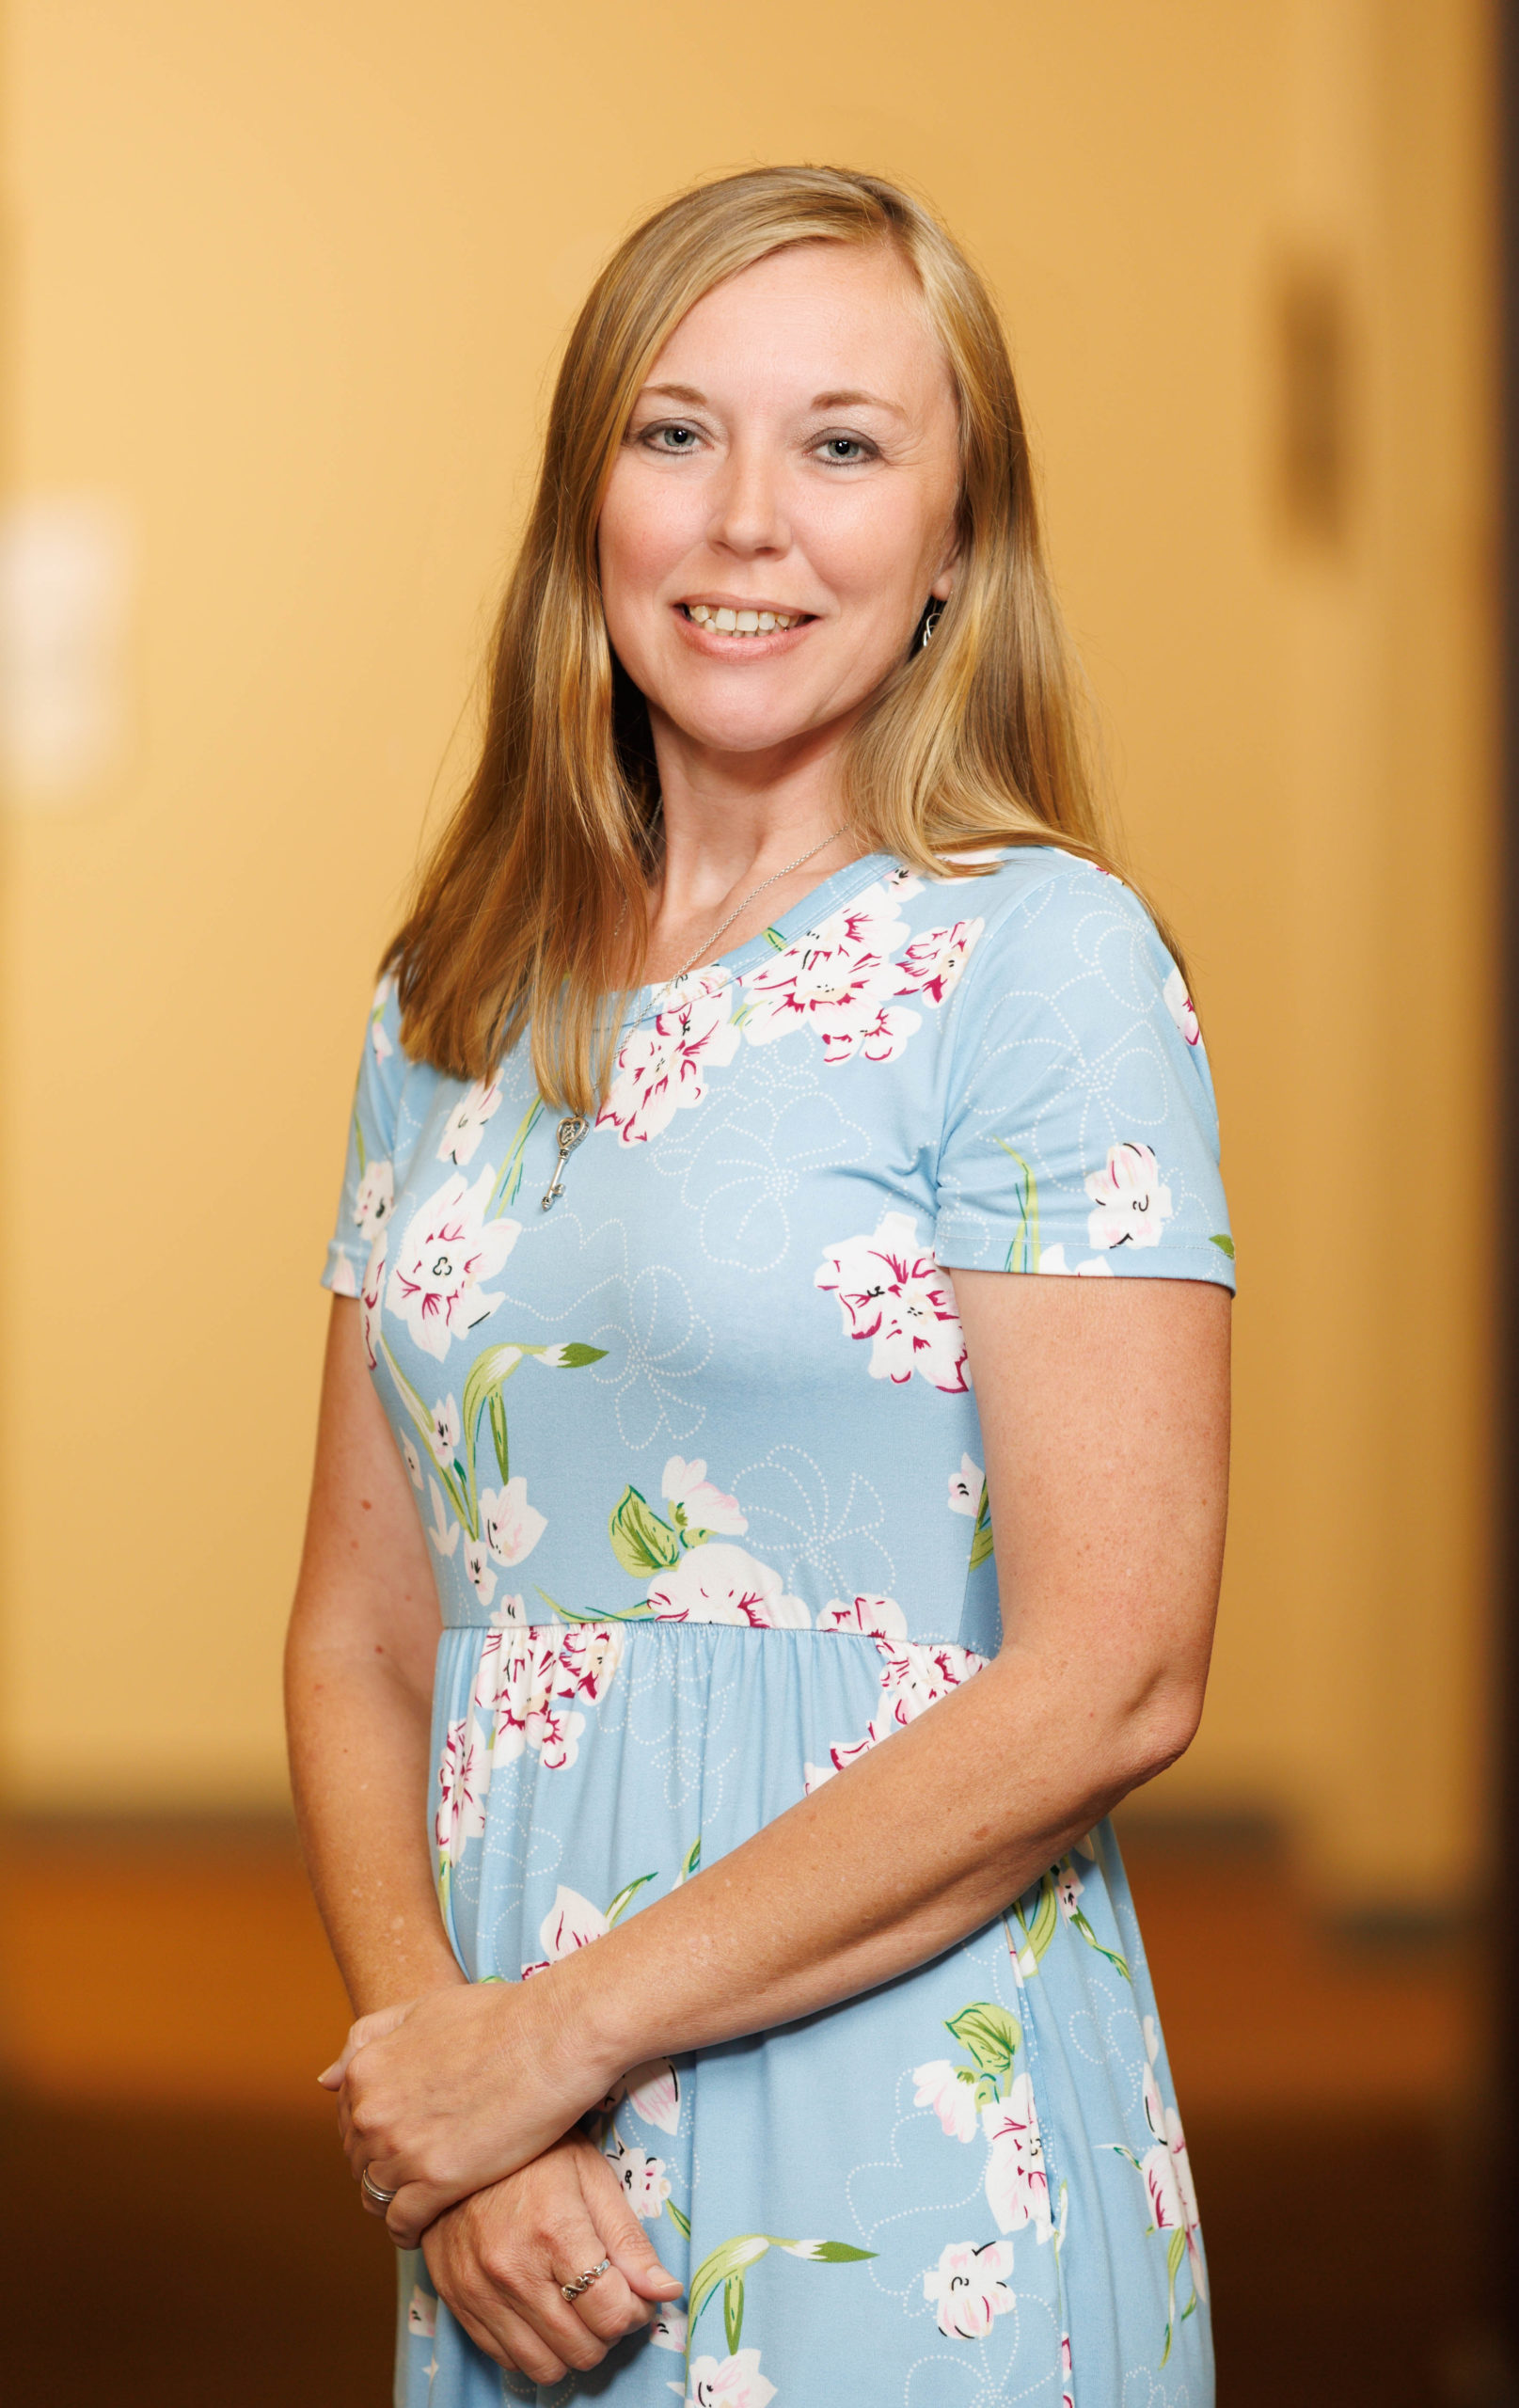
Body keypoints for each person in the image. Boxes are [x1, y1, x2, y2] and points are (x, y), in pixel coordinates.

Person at [286, 164, 1233, 2408]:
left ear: (950, 541)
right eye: (674, 431)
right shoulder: (452, 993)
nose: (744, 522)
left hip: (911, 2144)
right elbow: (358, 1628)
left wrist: (550, 2036)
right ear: (583, 498)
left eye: (840, 443)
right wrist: (458, 2102)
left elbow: (1115, 1671)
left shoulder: (1036, 963)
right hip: (519, 2191)